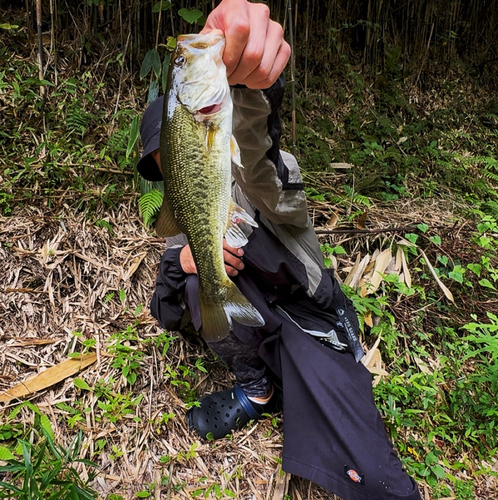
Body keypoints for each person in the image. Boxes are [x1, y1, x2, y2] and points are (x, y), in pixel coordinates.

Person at [137, 1, 422, 498]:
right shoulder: (189, 212)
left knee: (366, 470)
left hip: (307, 321)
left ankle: (317, 372)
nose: (174, 169)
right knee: (193, 275)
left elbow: (258, 157)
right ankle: (256, 387)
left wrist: (249, 87)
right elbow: (164, 309)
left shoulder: (266, 174)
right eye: (164, 166)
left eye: (176, 153)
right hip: (254, 324)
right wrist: (183, 263)